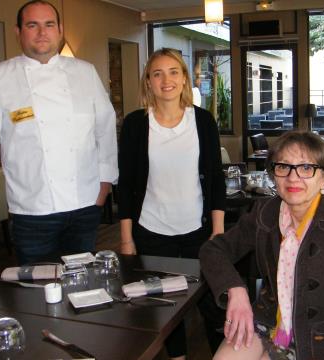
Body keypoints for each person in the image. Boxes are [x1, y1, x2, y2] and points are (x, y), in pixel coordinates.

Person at [199, 131, 324, 359]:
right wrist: (235, 290)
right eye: (283, 167)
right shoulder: (265, 213)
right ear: (274, 175)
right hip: (270, 322)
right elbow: (213, 249)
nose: (293, 178)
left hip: (323, 340)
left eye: (306, 168)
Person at [0, 0, 118, 265]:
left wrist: (105, 184)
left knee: (84, 284)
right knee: (37, 292)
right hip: (33, 211)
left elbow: (105, 129)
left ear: (59, 29)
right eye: (32, 25)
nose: (42, 32)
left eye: (49, 24)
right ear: (18, 32)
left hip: (85, 205)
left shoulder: (85, 72)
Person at [117, 48, 225, 360]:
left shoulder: (202, 121)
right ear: (148, 82)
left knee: (212, 303)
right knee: (164, 307)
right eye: (157, 73)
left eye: (174, 72)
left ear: (184, 79)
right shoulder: (136, 125)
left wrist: (217, 232)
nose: (167, 80)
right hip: (151, 231)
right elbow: (126, 185)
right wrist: (126, 239)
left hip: (199, 231)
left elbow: (215, 180)